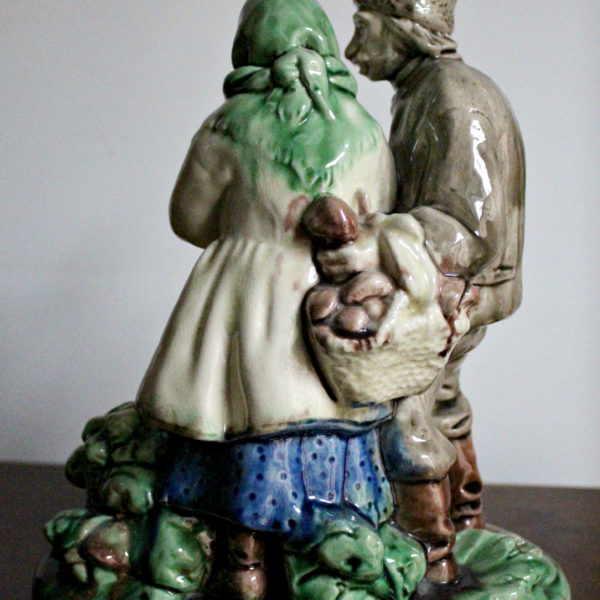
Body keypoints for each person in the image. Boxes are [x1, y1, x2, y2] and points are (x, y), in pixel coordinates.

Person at [136, 1, 403, 597]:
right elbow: (382, 213)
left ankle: (244, 564)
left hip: (240, 295)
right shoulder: (363, 128)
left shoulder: (227, 126)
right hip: (331, 299)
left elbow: (189, 218)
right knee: (325, 420)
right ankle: (322, 555)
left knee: (231, 416)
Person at [345, 0, 525, 584]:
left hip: (461, 292)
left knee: (400, 408)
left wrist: (371, 237)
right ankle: (466, 516)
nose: (352, 50)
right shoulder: (427, 90)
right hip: (460, 287)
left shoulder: (451, 97)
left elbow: (467, 229)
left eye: (363, 28)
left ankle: (431, 556)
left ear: (405, 28)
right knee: (441, 400)